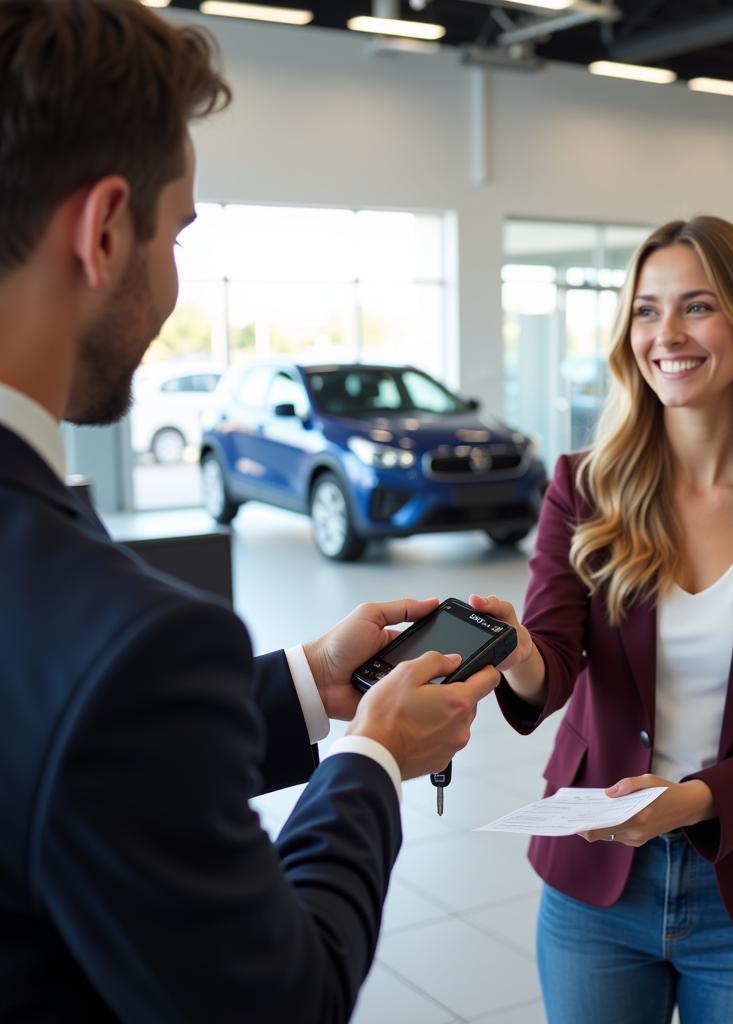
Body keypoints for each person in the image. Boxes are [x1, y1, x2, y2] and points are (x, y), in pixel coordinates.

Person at [0, 2, 497, 1020]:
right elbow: (281, 1001)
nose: (174, 275)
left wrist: (313, 689)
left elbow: (68, 770)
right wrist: (371, 758)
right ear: (103, 230)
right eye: (176, 231)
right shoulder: (126, 638)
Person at [471, 217, 733, 1023]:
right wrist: (514, 652)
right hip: (596, 891)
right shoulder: (584, 487)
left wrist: (692, 801)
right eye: (646, 310)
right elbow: (553, 659)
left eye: (697, 307)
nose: (666, 334)